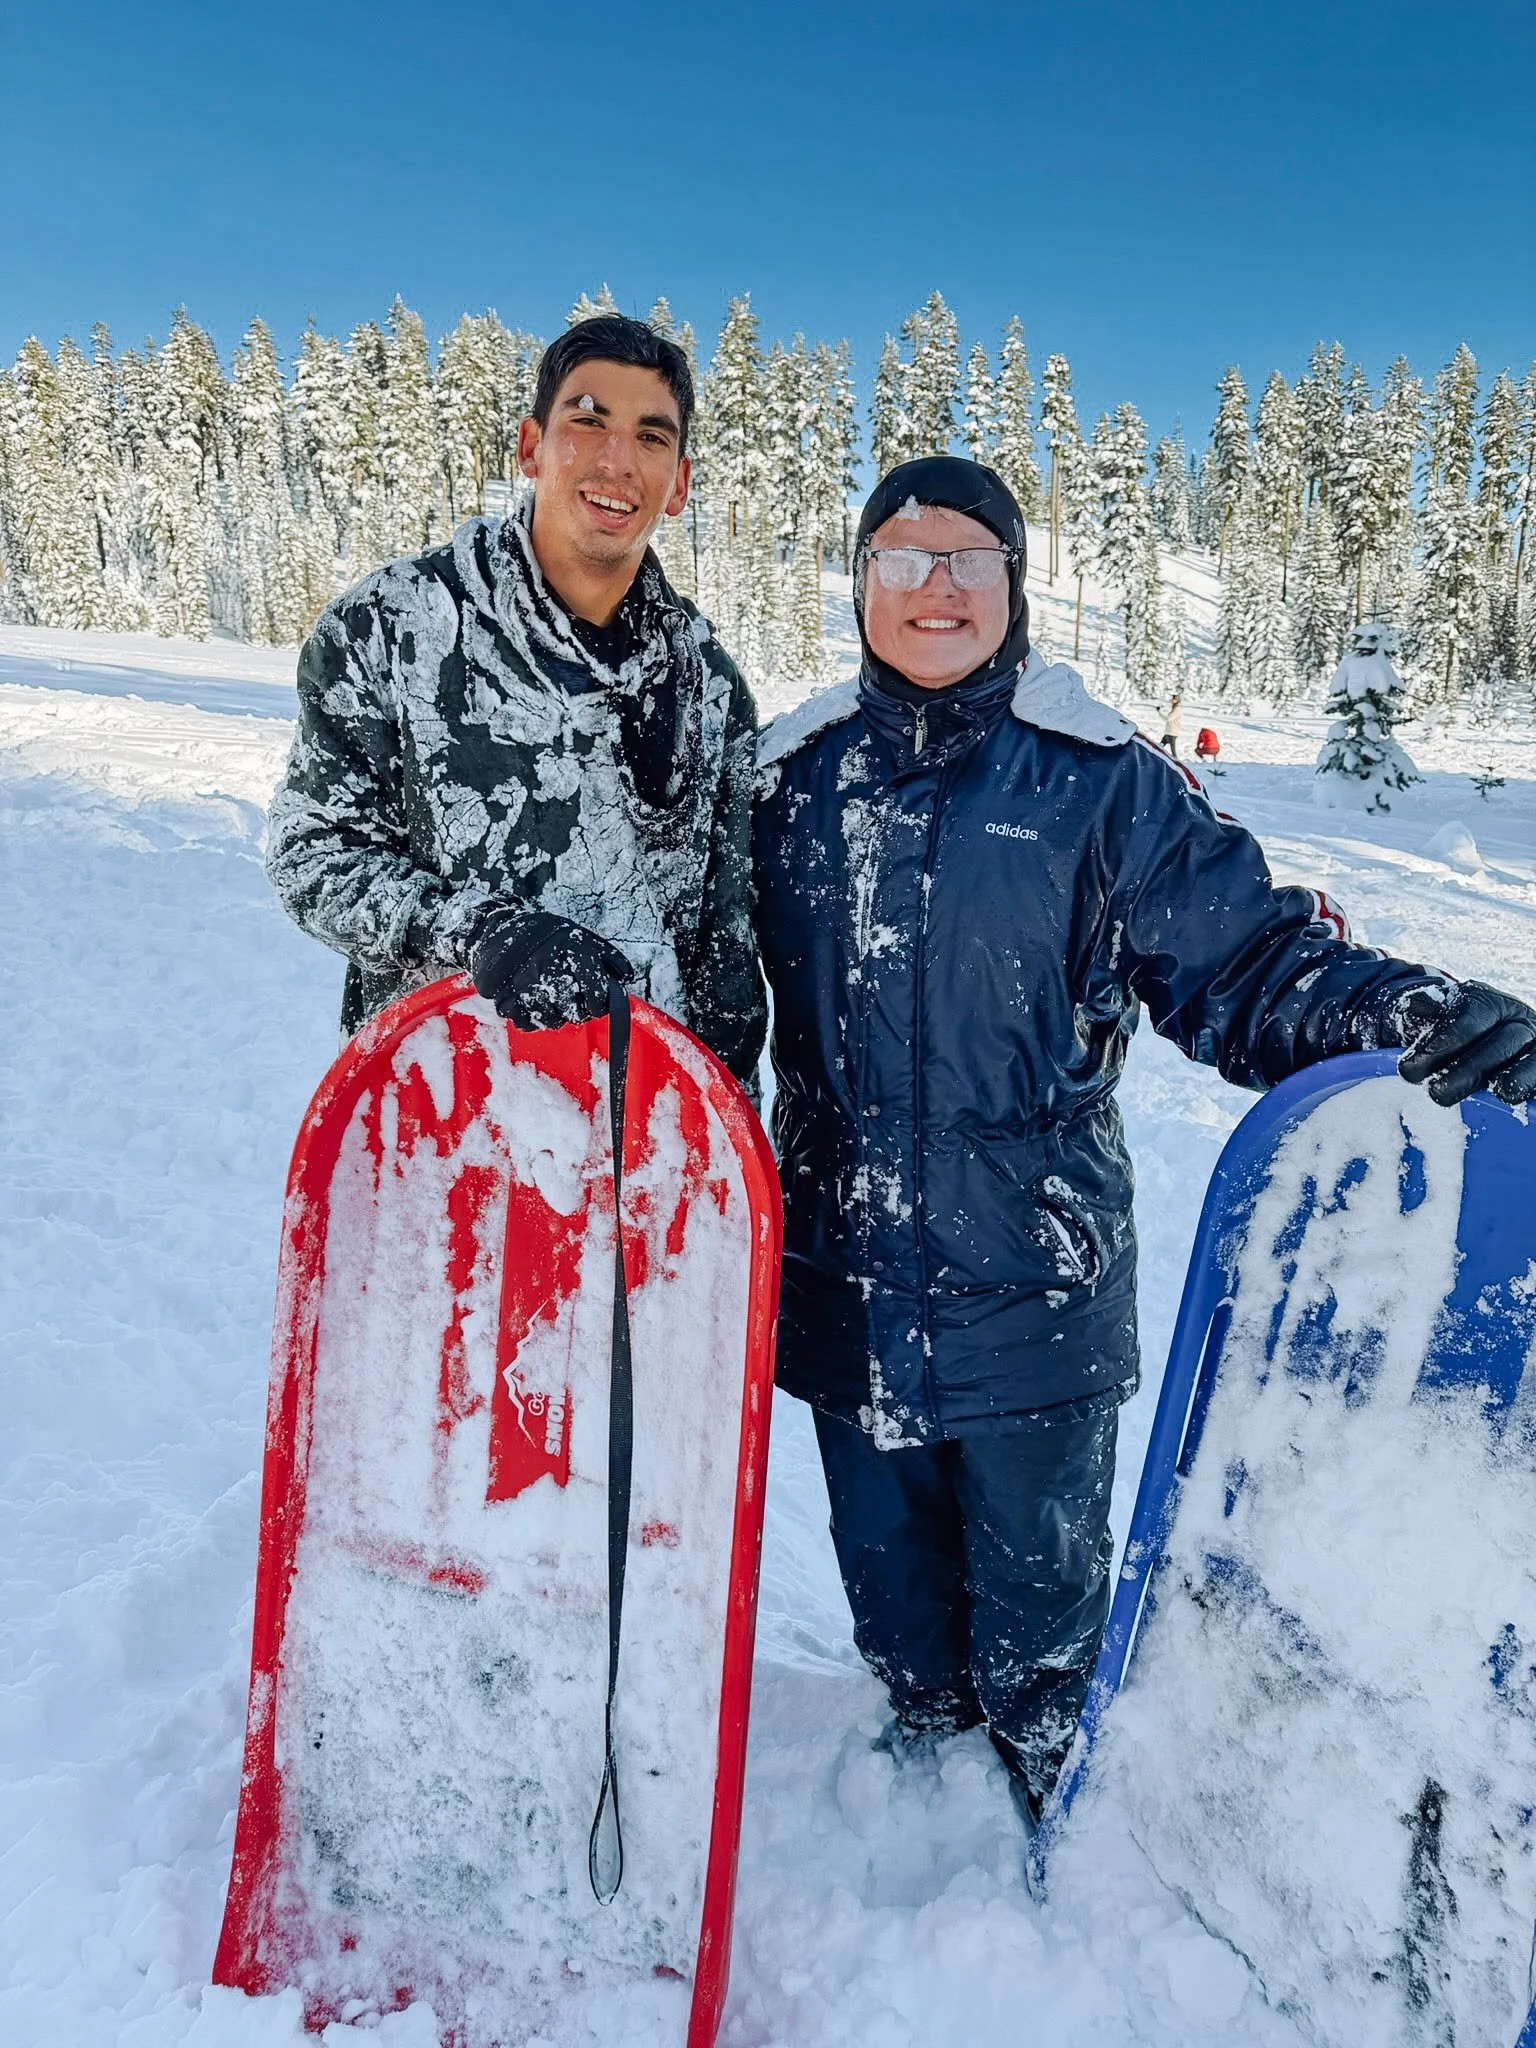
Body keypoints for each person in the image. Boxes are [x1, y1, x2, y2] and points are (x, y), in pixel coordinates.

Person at [753, 454, 1536, 1827]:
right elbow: (678, 977)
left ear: (1015, 585)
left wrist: (1407, 1010)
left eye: (970, 561)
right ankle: (919, 1786)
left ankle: (1058, 1812)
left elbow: (1245, 966)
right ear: (860, 583)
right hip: (842, 1290)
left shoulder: (1101, 785)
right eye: (903, 559)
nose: (937, 588)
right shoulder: (786, 782)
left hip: (1033, 1293)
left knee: (1040, 1619)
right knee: (896, 1608)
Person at [266, 315, 765, 1088]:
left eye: (652, 437)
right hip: (445, 1115)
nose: (617, 461)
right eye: (588, 421)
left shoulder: (710, 688)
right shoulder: (395, 626)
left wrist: (729, 1154)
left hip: (638, 1137)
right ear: (532, 447)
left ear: (681, 485)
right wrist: (475, 929)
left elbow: (724, 952)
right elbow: (313, 859)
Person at [1161, 691, 1183, 755]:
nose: (1172, 700)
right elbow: (1168, 718)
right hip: (1169, 732)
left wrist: (1160, 712)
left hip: (1172, 733)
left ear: (1177, 700)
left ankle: (1176, 763)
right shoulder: (1174, 708)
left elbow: (1169, 719)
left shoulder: (1177, 709)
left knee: (1173, 752)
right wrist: (1159, 712)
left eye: (1174, 699)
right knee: (1160, 747)